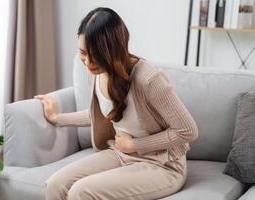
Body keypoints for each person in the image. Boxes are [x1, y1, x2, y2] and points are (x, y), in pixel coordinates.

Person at [34, 7, 198, 200]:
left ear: (112, 50)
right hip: (121, 153)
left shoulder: (148, 79)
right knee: (56, 184)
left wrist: (135, 144)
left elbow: (188, 130)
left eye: (94, 54)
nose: (87, 62)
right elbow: (99, 114)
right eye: (82, 52)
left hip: (161, 164)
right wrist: (56, 118)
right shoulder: (95, 73)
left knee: (81, 192)